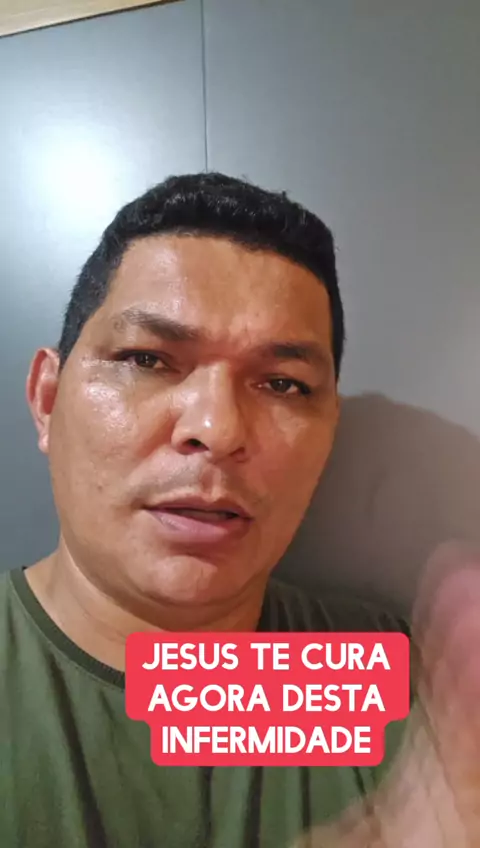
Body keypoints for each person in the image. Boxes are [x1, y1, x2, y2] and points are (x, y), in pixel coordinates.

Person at [0, 172, 409, 848]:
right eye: (147, 359)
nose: (217, 429)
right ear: (47, 399)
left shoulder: (409, 691)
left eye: (283, 384)